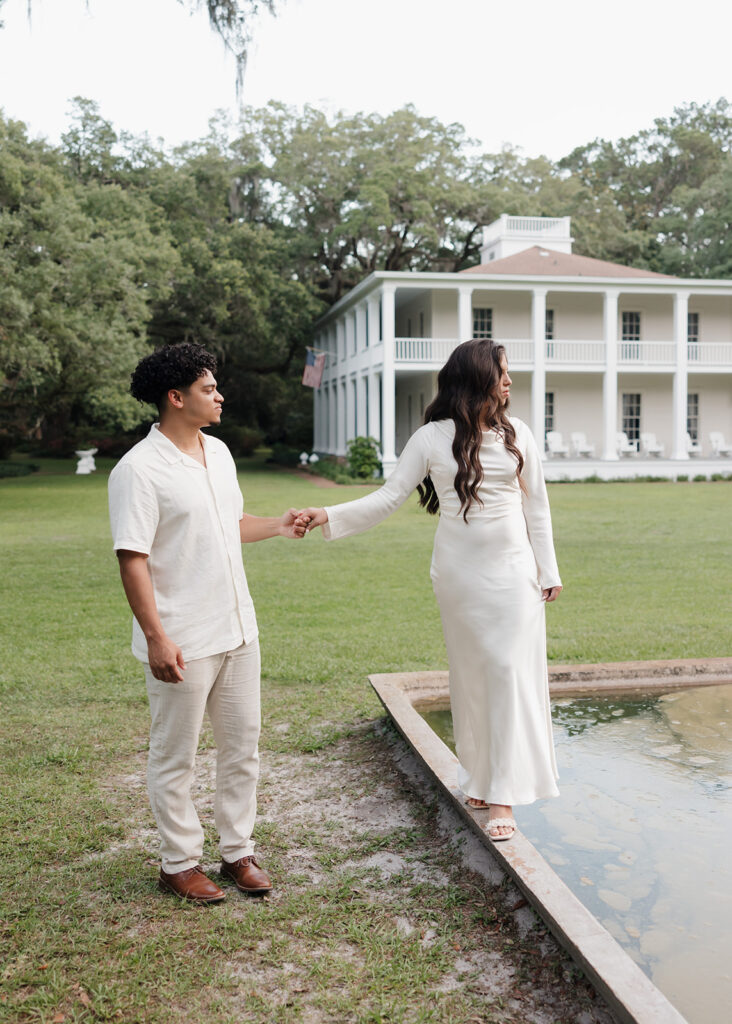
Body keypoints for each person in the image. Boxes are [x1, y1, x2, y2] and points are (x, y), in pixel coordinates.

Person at [298, 339, 562, 842]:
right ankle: (479, 779)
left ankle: (503, 793)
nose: (509, 382)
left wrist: (548, 571)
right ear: (476, 378)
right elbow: (388, 497)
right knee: (470, 676)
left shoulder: (519, 433)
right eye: (501, 373)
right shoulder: (431, 438)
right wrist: (328, 515)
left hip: (513, 574)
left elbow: (538, 509)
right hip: (458, 574)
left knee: (507, 674)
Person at [109, 343, 307, 903]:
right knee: (176, 754)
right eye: (208, 388)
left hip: (239, 628)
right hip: (183, 638)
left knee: (242, 746)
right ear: (176, 398)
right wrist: (156, 637)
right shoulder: (138, 471)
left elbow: (230, 523)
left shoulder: (218, 453)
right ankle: (178, 862)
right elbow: (133, 557)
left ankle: (237, 853)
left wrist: (280, 526)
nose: (219, 395)